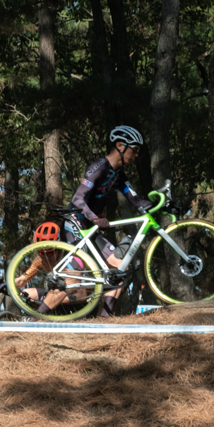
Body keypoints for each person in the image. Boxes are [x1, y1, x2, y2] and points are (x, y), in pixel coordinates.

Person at [66, 125, 155, 317]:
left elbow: (136, 200)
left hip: (90, 226)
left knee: (120, 268)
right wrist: (95, 218)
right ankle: (34, 315)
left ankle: (105, 319)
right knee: (75, 287)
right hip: (75, 222)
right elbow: (77, 199)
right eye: (135, 149)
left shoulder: (118, 174)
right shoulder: (99, 167)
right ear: (121, 145)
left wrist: (161, 205)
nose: (137, 155)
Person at [9, 221, 87, 314]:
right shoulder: (40, 261)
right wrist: (7, 284)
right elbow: (22, 280)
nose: (46, 256)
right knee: (25, 294)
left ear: (58, 247)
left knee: (57, 295)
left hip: (80, 295)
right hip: (54, 294)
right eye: (41, 252)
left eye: (50, 252)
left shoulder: (71, 257)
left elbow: (83, 292)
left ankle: (43, 313)